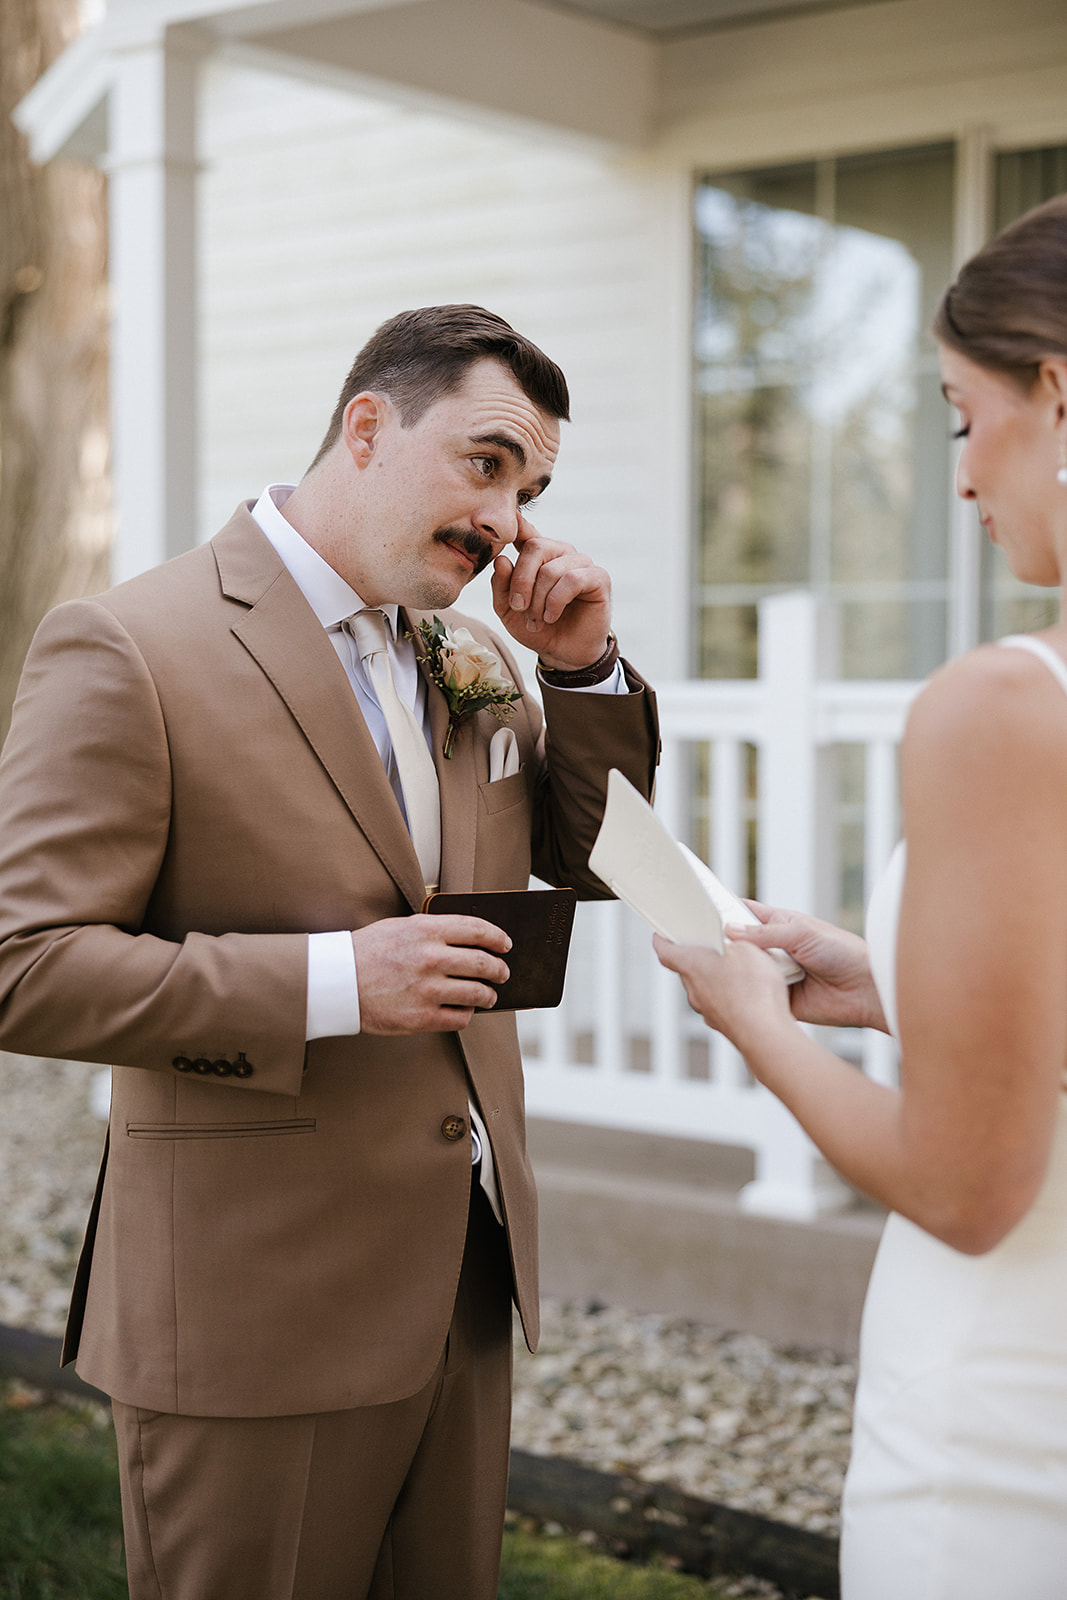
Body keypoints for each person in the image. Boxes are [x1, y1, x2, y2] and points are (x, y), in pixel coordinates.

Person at [0, 304, 658, 1600]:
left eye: (528, 489)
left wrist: (581, 671)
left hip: (459, 1289)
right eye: (486, 463)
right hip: (253, 1309)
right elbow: (25, 959)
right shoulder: (132, 645)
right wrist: (335, 985)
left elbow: (600, 860)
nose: (507, 521)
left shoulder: (470, 658)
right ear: (367, 425)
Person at [654, 193, 1067, 1600]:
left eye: (961, 415)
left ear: (1057, 394)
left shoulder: (1005, 711)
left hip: (1013, 1416)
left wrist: (758, 1024)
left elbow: (968, 1191)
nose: (959, 475)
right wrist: (902, 995)